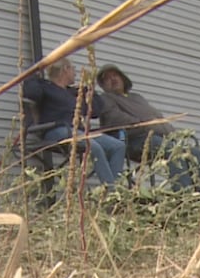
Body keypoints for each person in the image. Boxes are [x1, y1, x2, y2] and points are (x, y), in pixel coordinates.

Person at [96, 64, 200, 191]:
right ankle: (183, 195)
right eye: (107, 78)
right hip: (135, 140)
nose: (113, 79)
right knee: (173, 151)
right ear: (103, 85)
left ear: (123, 78)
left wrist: (172, 132)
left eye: (115, 75)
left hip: (158, 137)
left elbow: (157, 118)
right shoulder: (106, 99)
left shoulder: (137, 97)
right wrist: (146, 126)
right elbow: (116, 119)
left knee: (195, 153)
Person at [22, 58, 125, 188]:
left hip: (78, 131)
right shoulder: (45, 87)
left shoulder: (73, 92)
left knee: (118, 146)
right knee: (93, 146)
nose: (75, 74)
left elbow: (96, 111)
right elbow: (30, 94)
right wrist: (35, 72)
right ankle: (112, 192)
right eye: (73, 69)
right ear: (65, 69)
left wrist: (89, 91)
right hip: (56, 130)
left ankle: (115, 188)